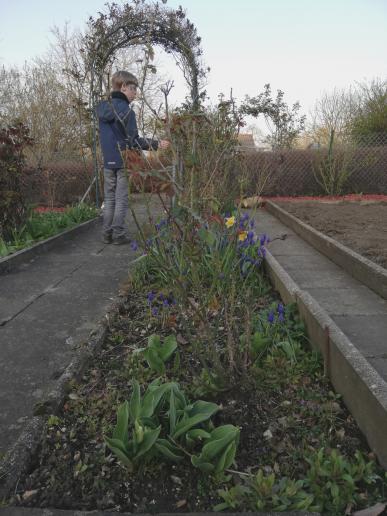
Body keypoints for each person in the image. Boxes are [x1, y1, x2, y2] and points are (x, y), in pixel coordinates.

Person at [97, 70, 169, 244]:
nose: (135, 93)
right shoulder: (128, 112)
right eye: (132, 89)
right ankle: (119, 234)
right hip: (123, 160)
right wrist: (157, 144)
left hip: (108, 161)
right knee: (121, 198)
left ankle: (106, 234)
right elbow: (133, 141)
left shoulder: (101, 109)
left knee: (109, 198)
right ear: (122, 87)